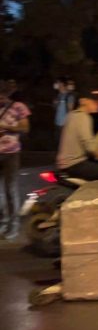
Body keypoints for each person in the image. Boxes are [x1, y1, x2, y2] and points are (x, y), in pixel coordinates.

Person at [0, 81, 31, 240]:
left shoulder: (18, 106)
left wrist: (7, 127)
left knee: (10, 189)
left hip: (11, 153)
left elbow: (25, 127)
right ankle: (3, 223)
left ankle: (14, 225)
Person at [53, 77, 76, 142]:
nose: (56, 86)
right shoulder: (58, 95)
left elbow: (70, 109)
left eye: (58, 83)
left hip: (65, 124)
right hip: (57, 123)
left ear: (62, 84)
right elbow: (55, 108)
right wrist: (55, 104)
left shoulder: (69, 96)